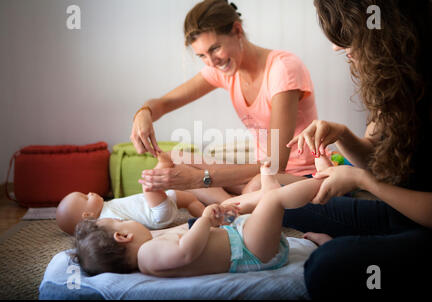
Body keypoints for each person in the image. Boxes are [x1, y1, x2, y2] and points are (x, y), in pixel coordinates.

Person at [283, 0, 432, 299]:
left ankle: (341, 245)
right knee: (286, 202)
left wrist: (361, 182)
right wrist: (342, 134)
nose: (336, 48)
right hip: (400, 215)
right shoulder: (397, 74)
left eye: (346, 31)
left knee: (326, 266)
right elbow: (381, 163)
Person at [132, 0, 319, 205]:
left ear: (237, 30)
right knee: (174, 159)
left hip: (299, 176)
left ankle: (229, 206)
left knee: (256, 184)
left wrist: (199, 179)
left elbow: (276, 165)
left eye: (215, 48)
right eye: (202, 55)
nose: (212, 62)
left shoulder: (282, 69)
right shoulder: (226, 71)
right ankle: (229, 206)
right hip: (261, 172)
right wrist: (144, 113)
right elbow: (165, 102)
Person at [70, 157, 333, 277]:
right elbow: (186, 252)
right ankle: (322, 181)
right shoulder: (147, 255)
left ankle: (315, 241)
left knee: (239, 204)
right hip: (252, 251)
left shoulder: (149, 252)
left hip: (241, 239)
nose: (127, 220)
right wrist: (206, 219)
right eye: (120, 222)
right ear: (123, 236)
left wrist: (215, 219)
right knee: (274, 201)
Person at [56, 153, 205, 235]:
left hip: (158, 206)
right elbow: (124, 229)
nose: (89, 193)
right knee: (148, 185)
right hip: (155, 215)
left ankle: (205, 216)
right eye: (85, 197)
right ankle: (163, 164)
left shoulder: (106, 206)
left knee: (190, 199)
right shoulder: (105, 220)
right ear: (87, 215)